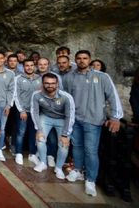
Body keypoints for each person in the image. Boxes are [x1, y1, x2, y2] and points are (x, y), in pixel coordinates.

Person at [63, 50, 123, 197]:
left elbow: (113, 97)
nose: (82, 60)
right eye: (79, 58)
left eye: (85, 58)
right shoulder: (69, 77)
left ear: (89, 60)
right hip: (75, 119)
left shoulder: (102, 77)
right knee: (76, 146)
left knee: (91, 150)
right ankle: (77, 170)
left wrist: (115, 117)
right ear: (75, 60)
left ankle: (90, 180)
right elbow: (66, 98)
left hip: (93, 120)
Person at [30, 73, 75, 180]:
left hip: (62, 119)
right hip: (46, 117)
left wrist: (65, 134)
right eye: (47, 83)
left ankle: (58, 168)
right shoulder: (36, 95)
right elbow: (34, 112)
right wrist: (38, 129)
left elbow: (70, 116)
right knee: (40, 138)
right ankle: (42, 163)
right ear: (43, 84)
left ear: (57, 84)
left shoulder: (66, 97)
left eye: (53, 83)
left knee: (64, 144)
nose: (50, 85)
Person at [13, 59, 41, 165]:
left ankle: (32, 154)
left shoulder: (40, 78)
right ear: (23, 67)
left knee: (33, 133)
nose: (29, 67)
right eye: (27, 65)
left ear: (34, 66)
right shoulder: (18, 79)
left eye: (31, 65)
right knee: (21, 132)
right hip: (23, 111)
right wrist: (21, 110)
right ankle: (19, 153)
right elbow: (16, 95)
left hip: (36, 111)